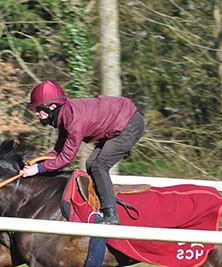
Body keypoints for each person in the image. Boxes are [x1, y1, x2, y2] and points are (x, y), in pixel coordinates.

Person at [22, 79, 145, 225]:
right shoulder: (64, 116)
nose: (36, 114)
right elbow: (58, 151)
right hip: (118, 119)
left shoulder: (73, 121)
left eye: (39, 109)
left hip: (129, 123)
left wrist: (38, 169)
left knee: (99, 165)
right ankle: (100, 204)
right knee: (91, 163)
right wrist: (37, 162)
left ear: (52, 106)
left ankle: (111, 215)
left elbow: (67, 157)